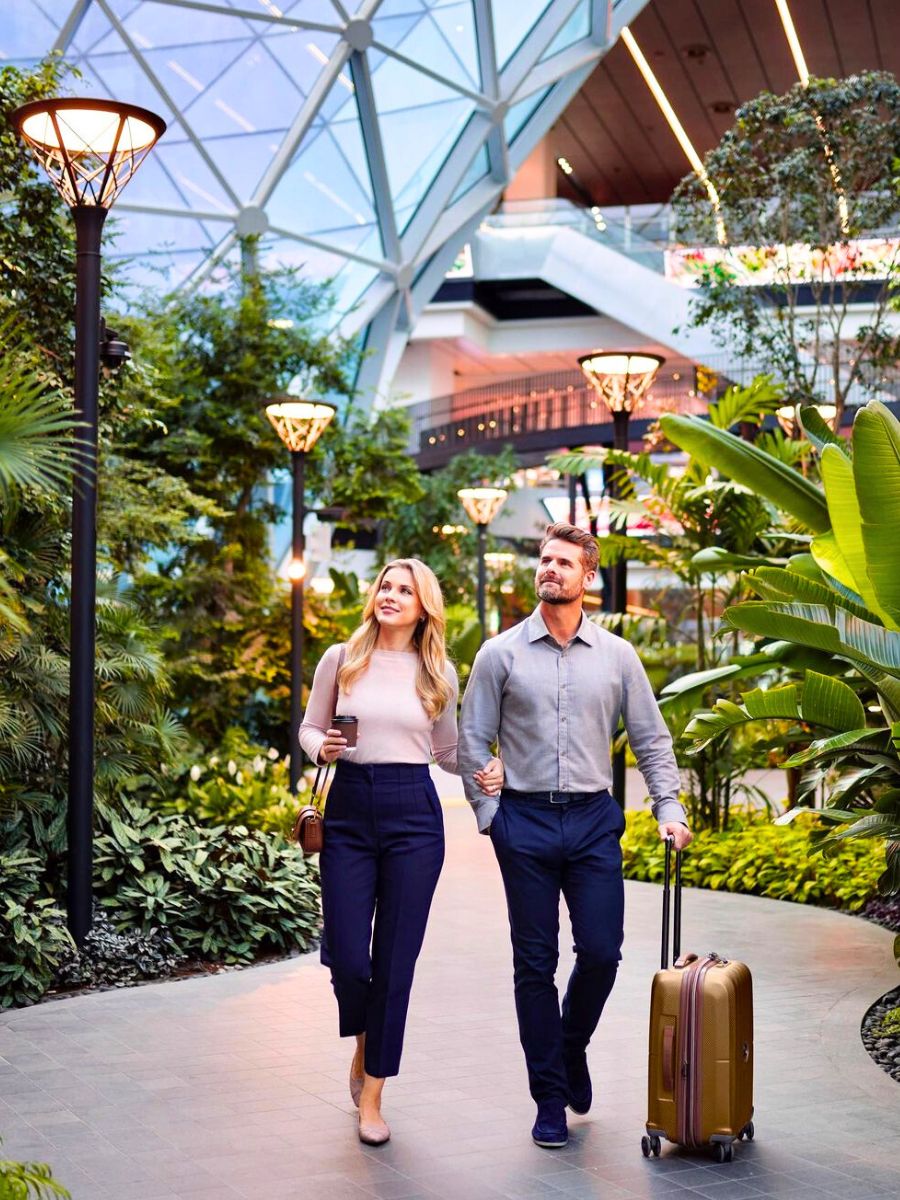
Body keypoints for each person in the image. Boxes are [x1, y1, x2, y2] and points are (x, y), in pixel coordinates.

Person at [458, 522, 692, 1149]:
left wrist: (669, 808)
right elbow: (471, 739)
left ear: (589, 577)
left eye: (564, 562)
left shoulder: (618, 657)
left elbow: (651, 738)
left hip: (593, 823)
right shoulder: (499, 654)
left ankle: (569, 1045)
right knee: (534, 963)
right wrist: (491, 818)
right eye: (544, 560)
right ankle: (549, 1097)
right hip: (525, 823)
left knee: (602, 952)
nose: (549, 569)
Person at [300, 558, 502, 1147]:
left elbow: (446, 751)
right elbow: (309, 728)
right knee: (346, 954)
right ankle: (363, 1040)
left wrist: (484, 770)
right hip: (351, 805)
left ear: (423, 607)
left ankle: (373, 1092)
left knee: (395, 960)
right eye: (385, 586)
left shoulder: (437, 669)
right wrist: (323, 747)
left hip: (414, 812)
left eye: (404, 590)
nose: (391, 595)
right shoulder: (343, 659)